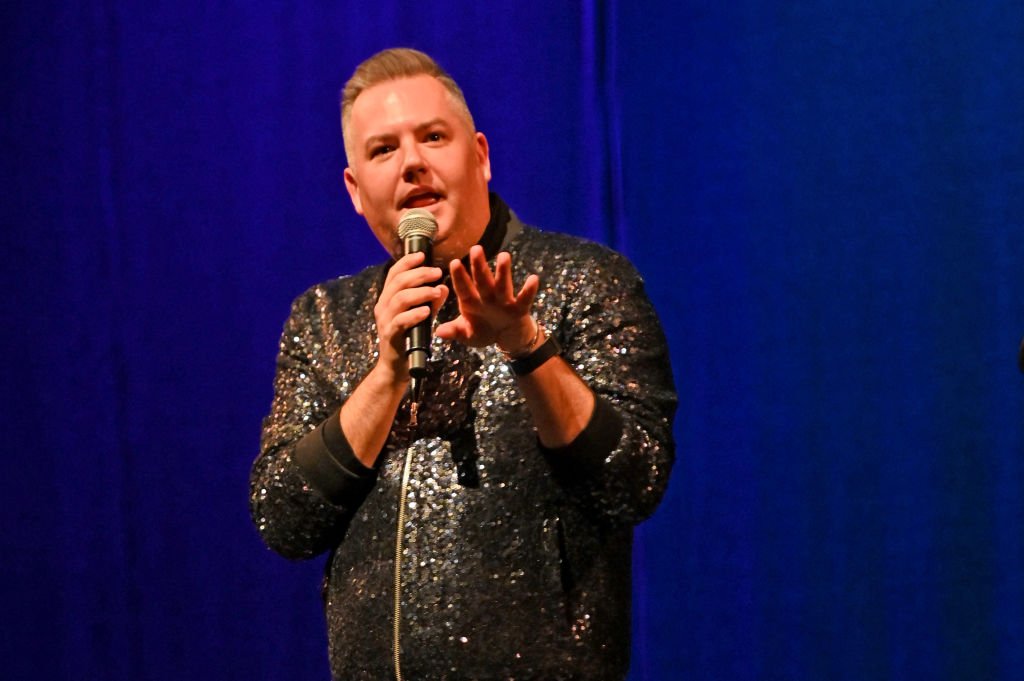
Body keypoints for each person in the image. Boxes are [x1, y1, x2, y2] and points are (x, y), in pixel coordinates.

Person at [250, 47, 677, 681]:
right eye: (383, 150)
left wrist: (527, 346)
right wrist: (386, 375)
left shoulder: (586, 281)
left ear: (479, 154)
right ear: (355, 190)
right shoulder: (325, 318)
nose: (413, 163)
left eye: (433, 137)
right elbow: (284, 518)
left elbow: (632, 480)